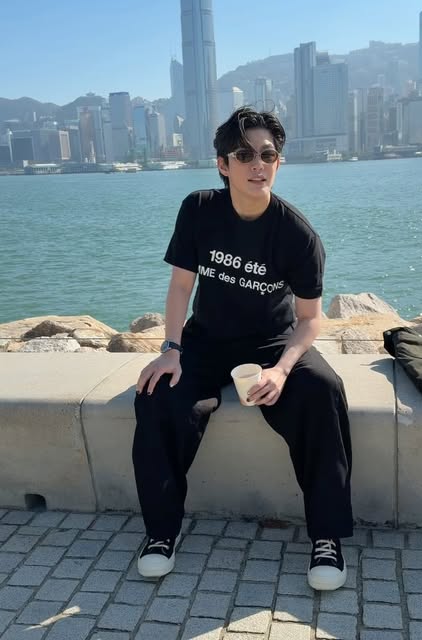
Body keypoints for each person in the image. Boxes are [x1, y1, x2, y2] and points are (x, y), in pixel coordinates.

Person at [133, 106, 353, 591]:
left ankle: (327, 537)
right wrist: (170, 348)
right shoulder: (198, 209)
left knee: (322, 390)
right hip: (206, 340)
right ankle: (161, 532)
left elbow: (310, 320)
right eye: (244, 154)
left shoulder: (297, 234)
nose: (258, 164)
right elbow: (181, 287)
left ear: (279, 162)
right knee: (158, 395)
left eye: (267, 155)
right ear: (222, 164)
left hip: (272, 341)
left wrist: (282, 370)